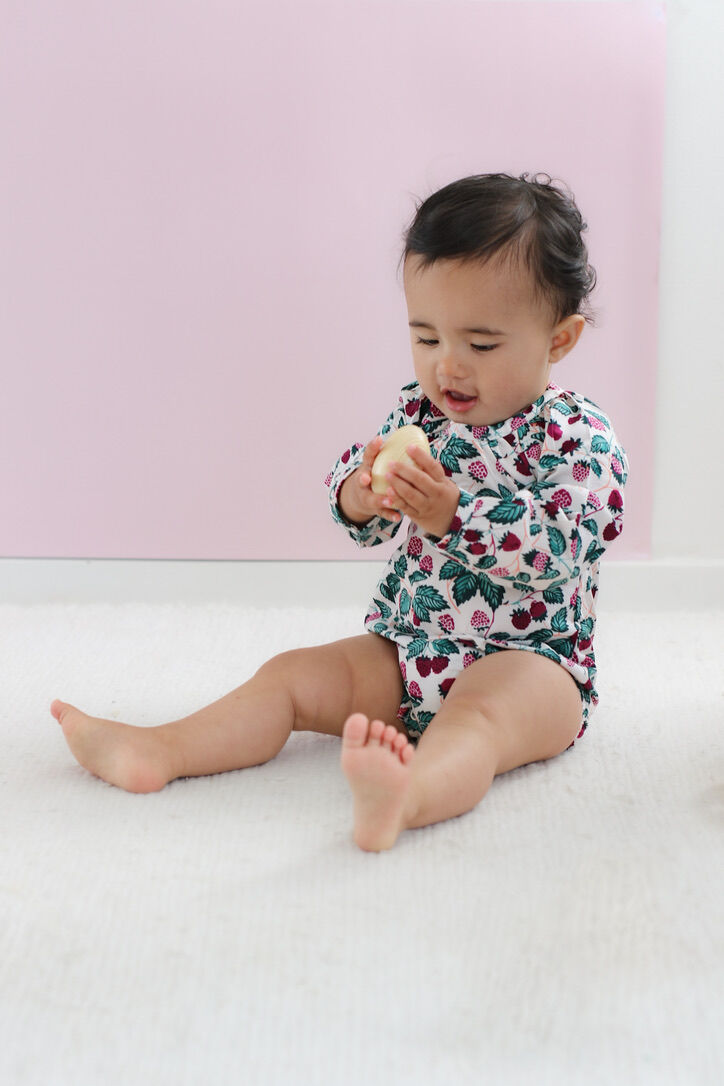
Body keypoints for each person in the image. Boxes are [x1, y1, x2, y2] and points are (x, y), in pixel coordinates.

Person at [51, 172, 629, 853]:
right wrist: (361, 494)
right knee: (293, 675)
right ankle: (163, 749)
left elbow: (565, 542)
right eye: (426, 336)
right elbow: (369, 501)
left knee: (476, 720)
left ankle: (407, 796)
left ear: (559, 340)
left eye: (480, 345)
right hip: (411, 649)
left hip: (533, 664)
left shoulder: (576, 435)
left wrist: (454, 515)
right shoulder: (420, 413)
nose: (449, 367)